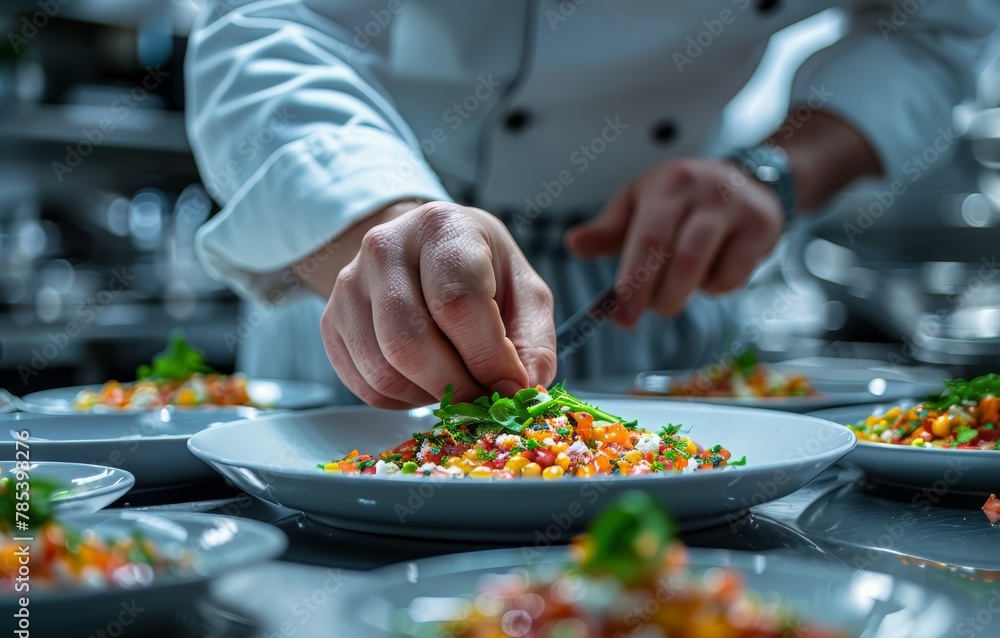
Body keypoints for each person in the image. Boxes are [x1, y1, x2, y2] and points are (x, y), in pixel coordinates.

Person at [185, 1, 998, 408]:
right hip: (367, 268)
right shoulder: (377, 242)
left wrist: (774, 173)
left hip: (653, 282)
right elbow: (268, 21)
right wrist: (387, 224)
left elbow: (934, 28)